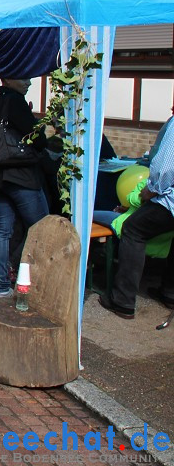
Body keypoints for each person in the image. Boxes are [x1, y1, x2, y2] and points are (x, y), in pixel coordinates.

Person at [0, 77, 49, 298]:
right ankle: (23, 273)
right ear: (8, 79)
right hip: (20, 175)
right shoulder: (15, 101)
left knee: (2, 230)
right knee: (42, 228)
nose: (29, 83)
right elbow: (37, 138)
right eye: (24, 78)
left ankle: (1, 286)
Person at [100, 114, 174, 319]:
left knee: (133, 229)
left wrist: (151, 189)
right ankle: (169, 293)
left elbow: (165, 168)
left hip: (170, 200)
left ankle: (122, 301)